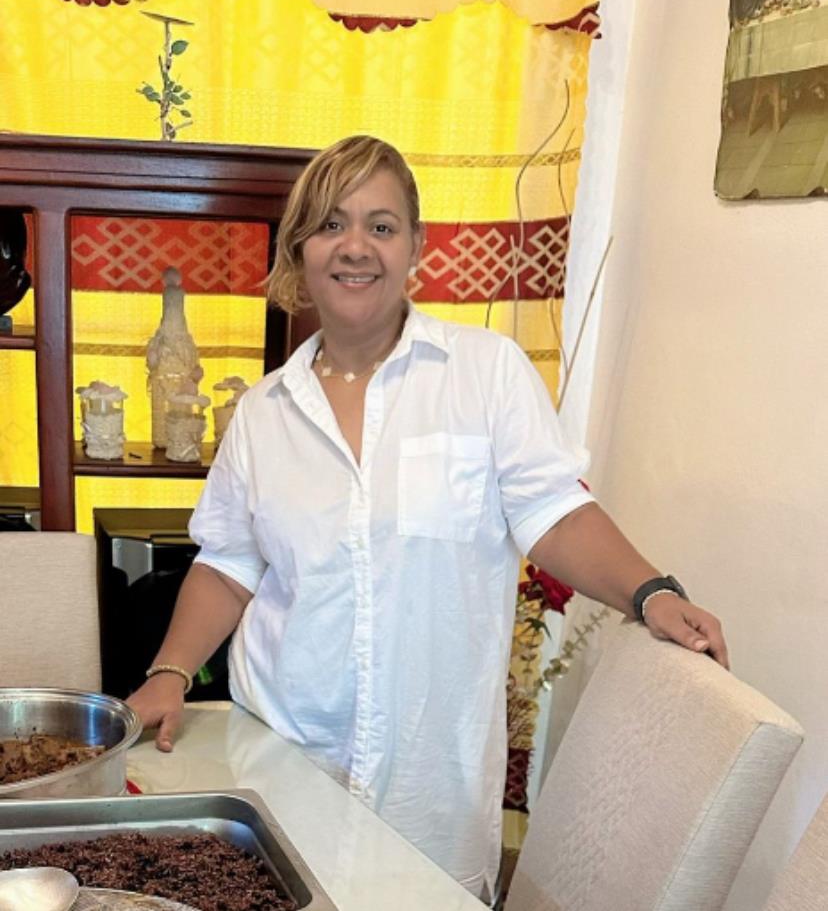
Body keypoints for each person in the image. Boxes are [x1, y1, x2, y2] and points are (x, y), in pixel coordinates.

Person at [127, 135, 728, 899]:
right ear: (300, 247)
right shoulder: (262, 413)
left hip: (430, 783)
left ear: (416, 244)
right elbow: (228, 563)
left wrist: (651, 590)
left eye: (380, 226)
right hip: (283, 760)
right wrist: (170, 672)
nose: (355, 246)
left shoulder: (485, 373)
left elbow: (552, 512)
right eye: (331, 223)